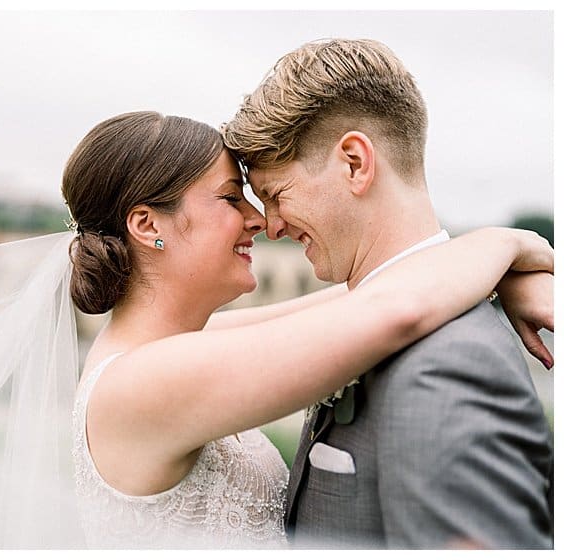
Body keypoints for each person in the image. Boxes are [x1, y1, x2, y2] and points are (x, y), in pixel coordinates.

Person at [0, 111, 552, 548]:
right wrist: (515, 245)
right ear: (149, 225)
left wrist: (490, 278)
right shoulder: (142, 386)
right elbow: (397, 311)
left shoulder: (167, 357)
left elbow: (361, 301)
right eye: (230, 199)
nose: (259, 221)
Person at [221, 38, 553, 548]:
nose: (271, 226)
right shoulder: (379, 314)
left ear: (355, 163)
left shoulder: (448, 366)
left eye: (276, 195)